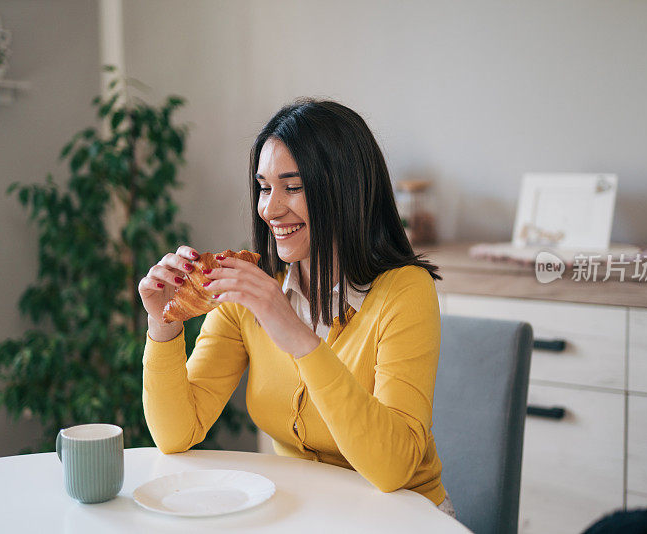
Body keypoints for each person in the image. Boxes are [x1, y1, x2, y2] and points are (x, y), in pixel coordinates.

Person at [138, 98, 455, 518]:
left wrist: (298, 338)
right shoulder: (247, 288)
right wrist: (162, 325)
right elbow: (176, 433)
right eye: (264, 187)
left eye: (293, 186)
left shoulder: (404, 292)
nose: (270, 209)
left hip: (405, 518)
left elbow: (393, 467)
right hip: (303, 516)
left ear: (344, 190)